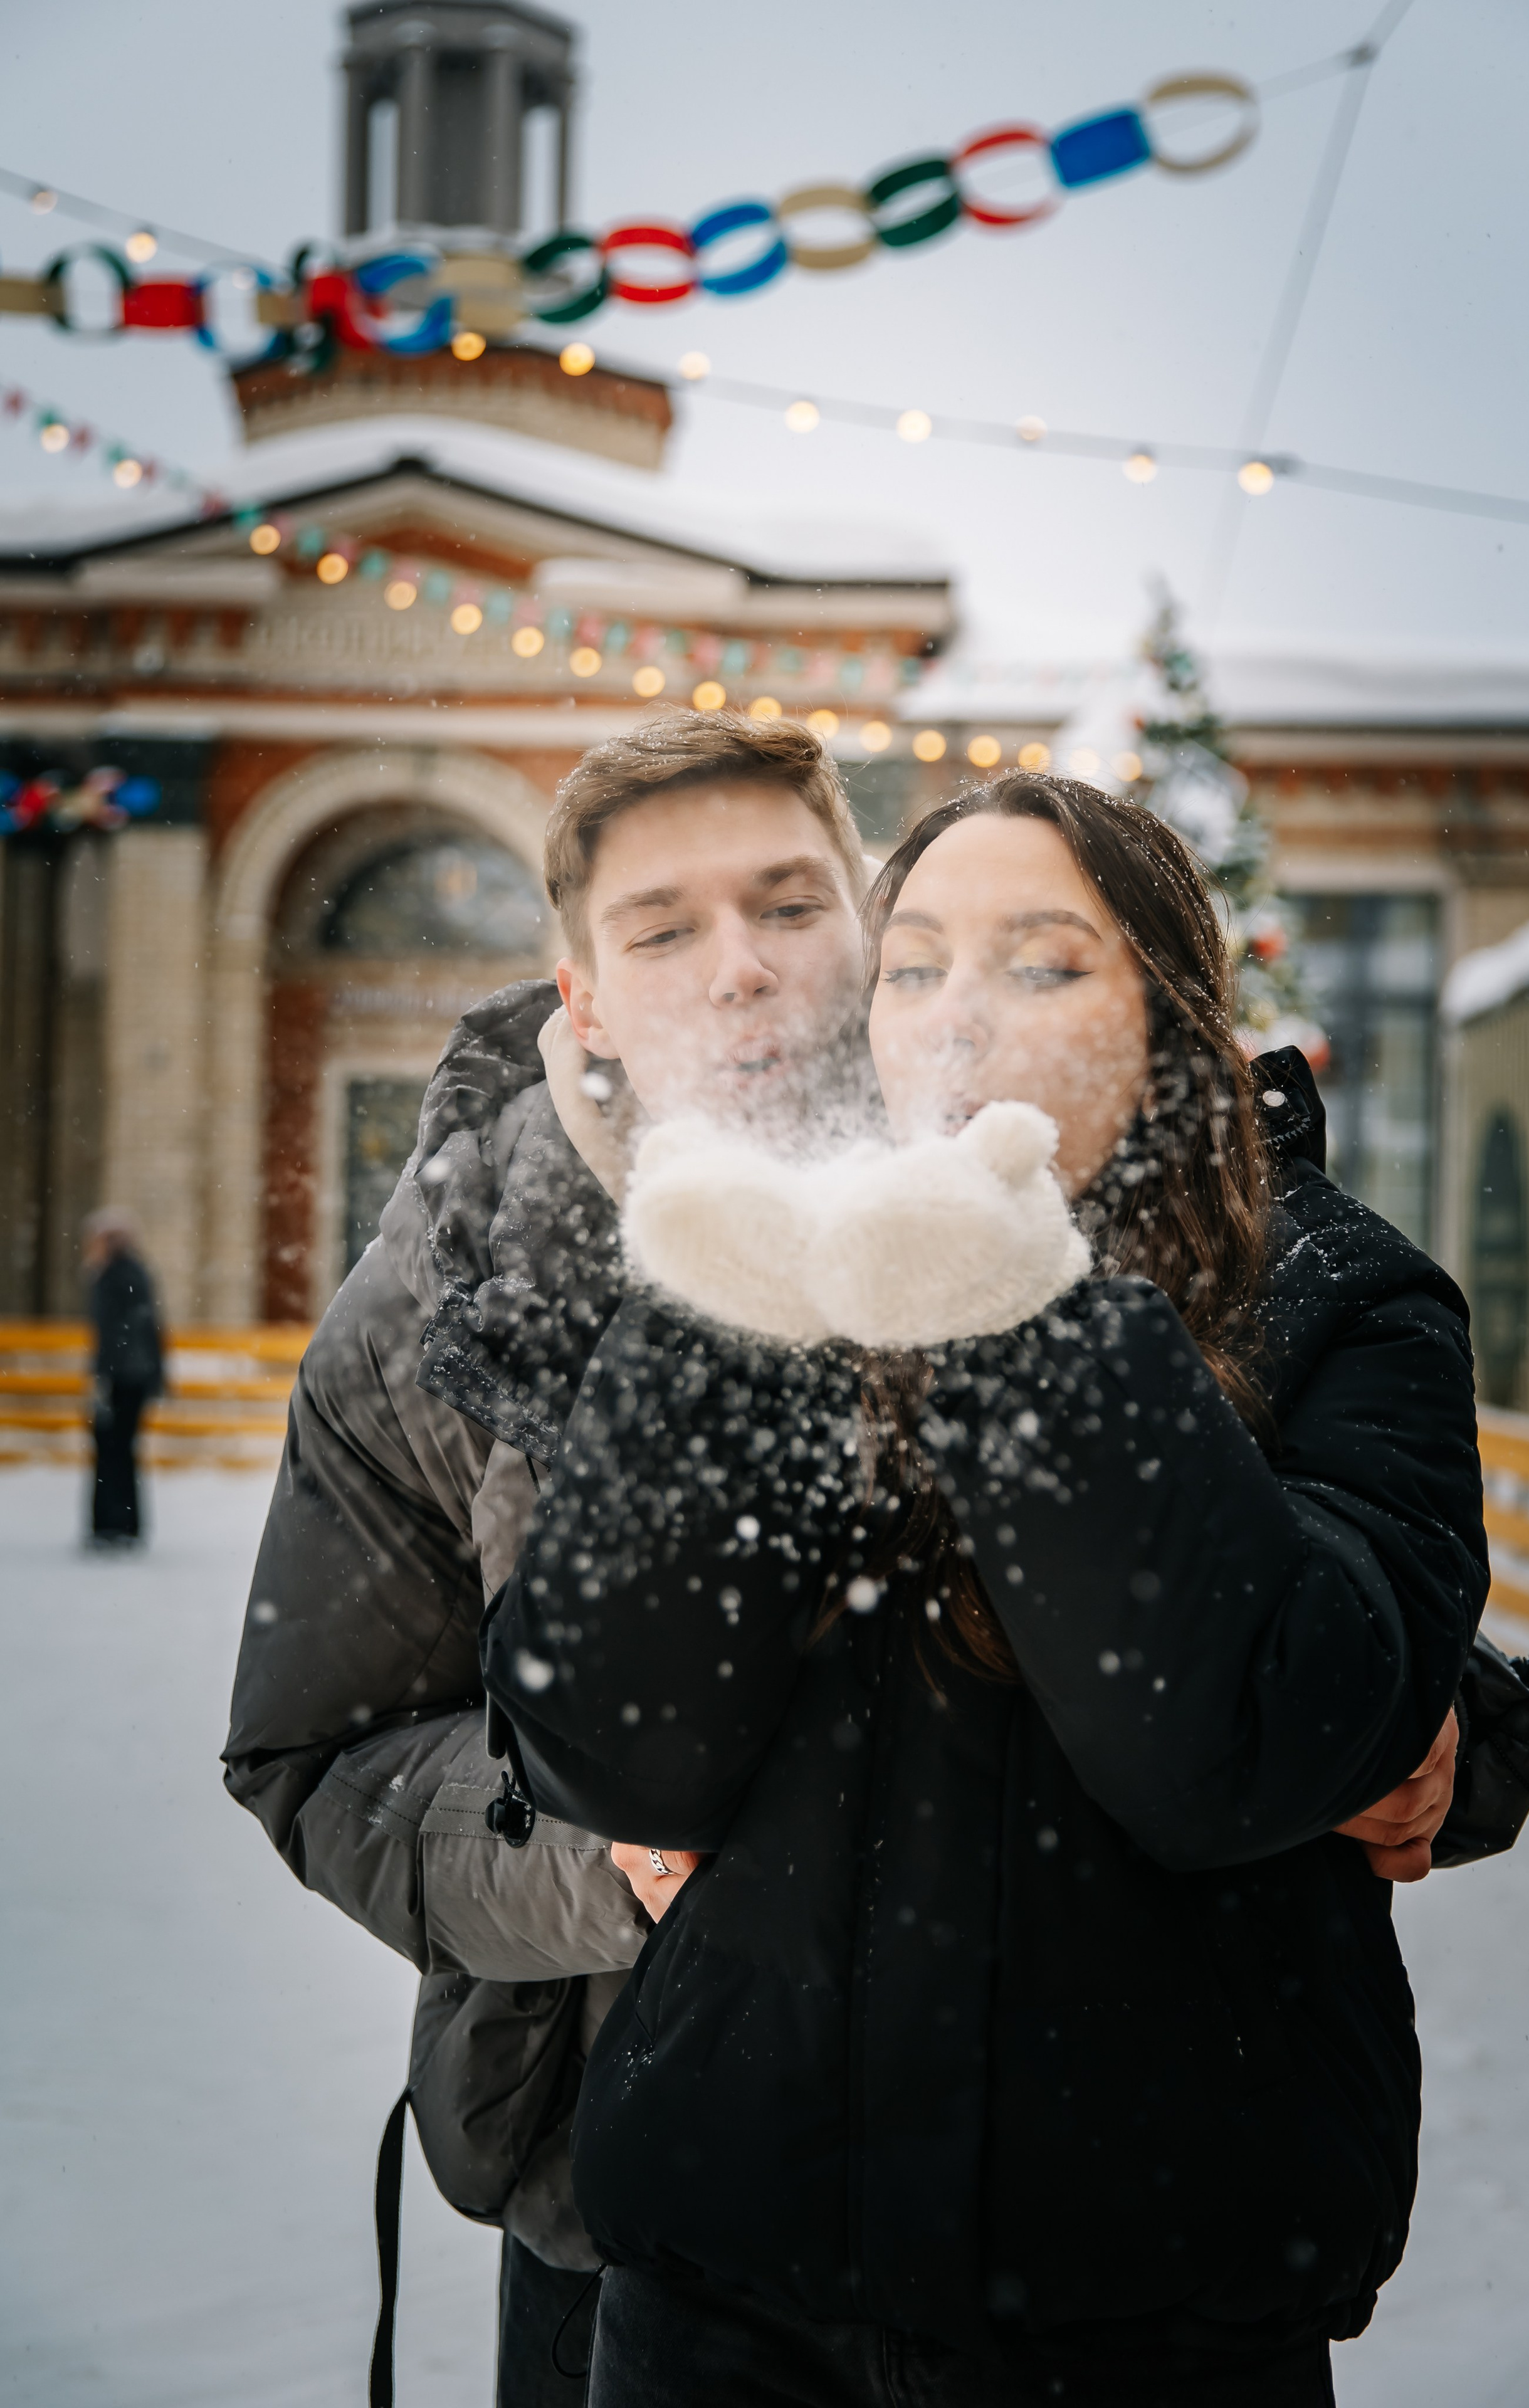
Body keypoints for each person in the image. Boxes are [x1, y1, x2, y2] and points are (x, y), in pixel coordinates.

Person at [483, 773, 1488, 2407]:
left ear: (1166, 1023)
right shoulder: (781, 1264)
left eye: (1041, 965)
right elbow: (613, 1745)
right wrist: (711, 1326)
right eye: (917, 965)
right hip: (732, 2304)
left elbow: (1240, 1743)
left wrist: (1036, 1305)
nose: (960, 1021)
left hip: (1160, 2319)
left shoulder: (1337, 1297)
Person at [222, 711, 875, 2404]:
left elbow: (1260, 1579)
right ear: (582, 991)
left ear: (869, 922)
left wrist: (1432, 1741)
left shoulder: (1030, 1208)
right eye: (663, 928)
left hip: (1042, 2192)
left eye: (790, 905)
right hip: (628, 2191)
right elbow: (319, 1758)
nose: (738, 968)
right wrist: (600, 1849)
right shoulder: (438, 1311)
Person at [83, 1206, 164, 1550]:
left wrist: (104, 1377)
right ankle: (122, 1525)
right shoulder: (129, 1272)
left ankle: (113, 1526)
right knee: (119, 1451)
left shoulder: (118, 1273)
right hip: (130, 1376)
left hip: (123, 1379)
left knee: (113, 1450)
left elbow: (124, 1332)